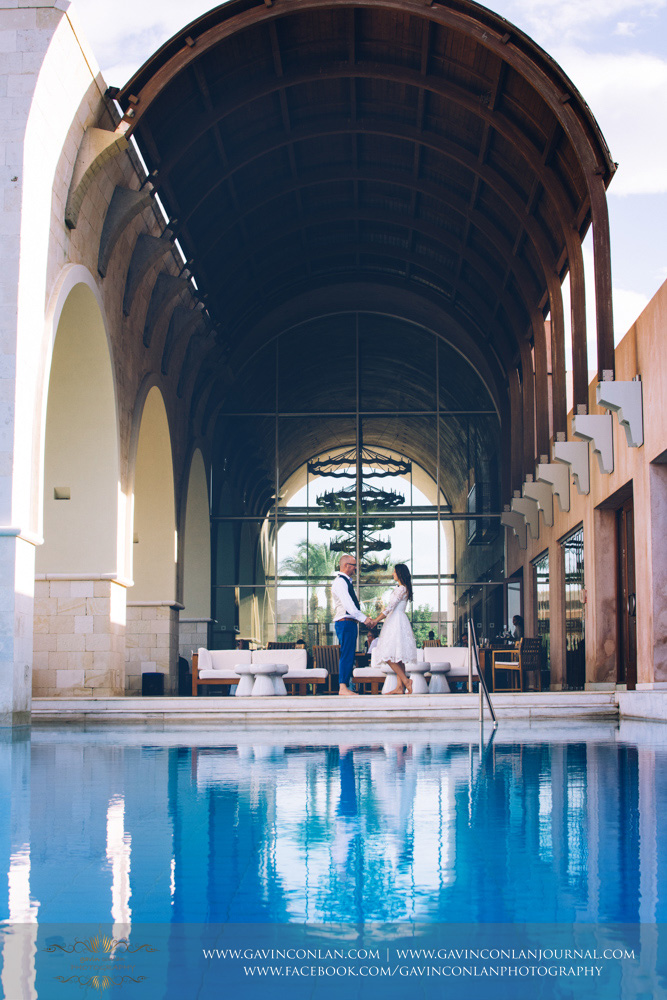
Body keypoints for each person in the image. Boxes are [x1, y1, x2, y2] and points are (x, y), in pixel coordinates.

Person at [370, 564, 418, 695]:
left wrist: (375, 620)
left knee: (388, 654)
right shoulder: (404, 588)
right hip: (397, 620)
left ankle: (406, 682)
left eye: (395, 572)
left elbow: (390, 607)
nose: (393, 574)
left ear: (400, 573)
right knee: (397, 657)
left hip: (395, 621)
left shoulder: (401, 588)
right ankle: (399, 687)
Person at [332, 555, 373, 696]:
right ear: (345, 566)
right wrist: (364, 619)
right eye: (354, 565)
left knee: (348, 654)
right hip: (345, 622)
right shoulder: (340, 582)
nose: (356, 568)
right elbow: (348, 604)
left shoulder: (346, 582)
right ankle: (343, 687)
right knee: (347, 654)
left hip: (348, 623)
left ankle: (344, 686)